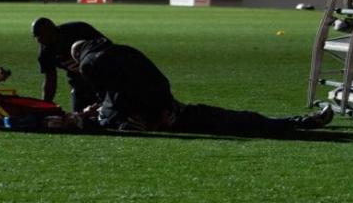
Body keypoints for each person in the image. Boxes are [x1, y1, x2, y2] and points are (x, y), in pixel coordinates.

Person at [70, 38, 334, 136]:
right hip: (172, 111)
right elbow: (153, 81)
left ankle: (297, 123)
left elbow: (116, 101)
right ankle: (298, 123)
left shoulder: (94, 70)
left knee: (238, 122)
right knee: (239, 121)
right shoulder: (122, 52)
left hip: (167, 116)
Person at [32, 17, 108, 112]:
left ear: (53, 31)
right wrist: (45, 105)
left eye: (44, 36)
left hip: (102, 77)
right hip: (79, 82)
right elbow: (50, 80)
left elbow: (107, 48)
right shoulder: (45, 52)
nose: (41, 41)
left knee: (108, 112)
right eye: (38, 38)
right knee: (78, 116)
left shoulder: (79, 30)